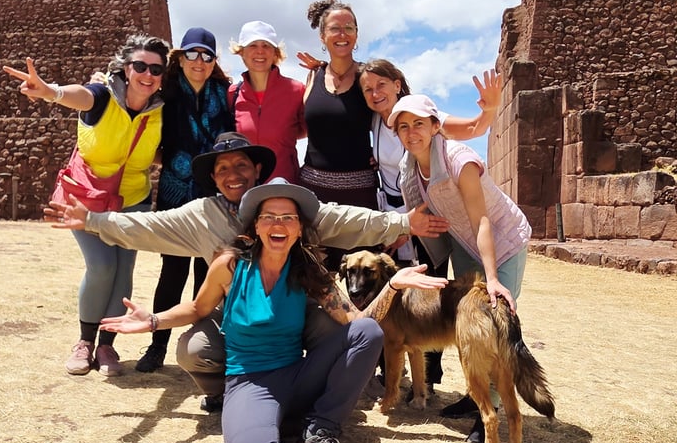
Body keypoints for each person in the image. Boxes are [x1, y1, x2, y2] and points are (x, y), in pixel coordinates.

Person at [44, 132, 450, 408]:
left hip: (294, 306)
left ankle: (314, 394)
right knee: (194, 349)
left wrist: (401, 224)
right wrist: (94, 221)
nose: (232, 174)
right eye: (222, 169)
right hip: (236, 314)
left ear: (256, 170)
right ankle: (227, 392)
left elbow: (341, 219)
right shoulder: (201, 216)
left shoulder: (283, 205)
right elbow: (146, 227)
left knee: (337, 330)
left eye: (240, 166)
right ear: (214, 179)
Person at [99, 177, 449, 443]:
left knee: (368, 333)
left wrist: (392, 287)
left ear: (299, 229)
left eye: (288, 218)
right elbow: (197, 309)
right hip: (249, 381)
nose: (278, 224)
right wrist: (153, 320)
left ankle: (320, 430)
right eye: (269, 216)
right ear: (255, 226)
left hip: (297, 375)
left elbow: (360, 322)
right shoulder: (231, 264)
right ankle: (276, 421)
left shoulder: (308, 270)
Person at [4, 34, 170, 377]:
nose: (147, 74)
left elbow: (151, 152)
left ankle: (108, 345)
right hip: (86, 198)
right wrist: (50, 91)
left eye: (156, 68)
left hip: (133, 199)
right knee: (102, 267)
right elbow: (77, 96)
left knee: (124, 271)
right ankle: (84, 342)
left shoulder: (160, 110)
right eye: (140, 66)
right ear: (126, 68)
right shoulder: (101, 96)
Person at [387, 94, 532, 443]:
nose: (411, 132)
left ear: (436, 126)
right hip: (464, 244)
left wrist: (493, 278)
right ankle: (475, 396)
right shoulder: (411, 167)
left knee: (494, 322)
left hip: (501, 240)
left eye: (419, 124)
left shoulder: (459, 159)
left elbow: (482, 219)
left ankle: (491, 413)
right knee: (471, 331)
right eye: (403, 127)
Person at [359, 60, 502, 393]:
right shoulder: (377, 124)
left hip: (431, 216)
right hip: (399, 213)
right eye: (368, 88)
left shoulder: (421, 113)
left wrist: (490, 110)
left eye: (382, 84)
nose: (375, 93)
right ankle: (407, 377)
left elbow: (472, 129)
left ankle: (434, 376)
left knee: (433, 297)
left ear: (398, 84)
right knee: (403, 300)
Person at [136, 28, 235, 373]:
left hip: (213, 193)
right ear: (181, 57)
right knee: (173, 269)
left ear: (213, 62)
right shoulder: (167, 93)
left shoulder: (224, 94)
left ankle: (198, 342)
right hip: (176, 192)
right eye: (192, 54)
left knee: (208, 272)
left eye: (207, 56)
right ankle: (157, 344)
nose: (199, 61)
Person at [300, 0, 377, 270]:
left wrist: (385, 156)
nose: (342, 34)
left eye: (349, 27)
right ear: (323, 36)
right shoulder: (312, 77)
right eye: (335, 28)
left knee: (363, 285)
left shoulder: (371, 78)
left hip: (360, 198)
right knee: (314, 280)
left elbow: (400, 119)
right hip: (313, 196)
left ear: (357, 34)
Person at [228, 21, 306, 183]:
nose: (260, 51)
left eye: (266, 45)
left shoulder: (297, 90)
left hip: (285, 188)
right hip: (244, 190)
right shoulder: (231, 94)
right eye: (252, 45)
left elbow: (306, 130)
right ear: (241, 52)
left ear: (275, 53)